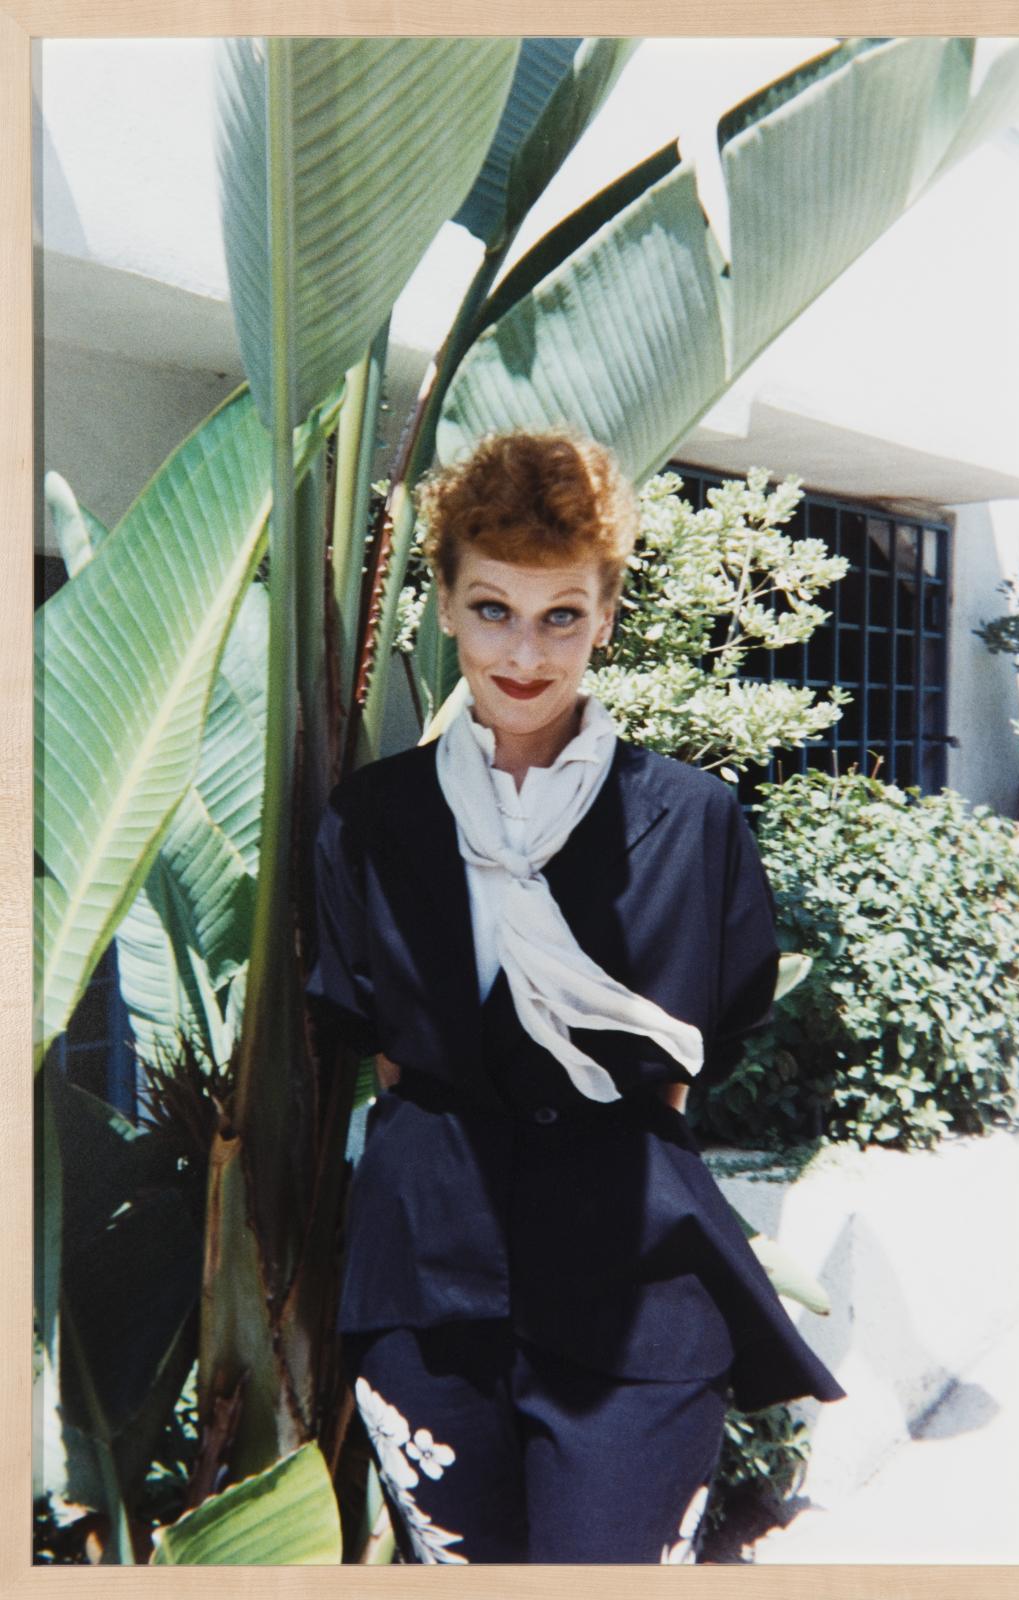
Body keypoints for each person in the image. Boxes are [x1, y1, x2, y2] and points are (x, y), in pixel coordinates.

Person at [307, 428, 844, 1565]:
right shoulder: (373, 819)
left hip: (636, 1285)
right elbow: (371, 1031)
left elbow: (720, 1023)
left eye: (562, 614)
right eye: (493, 607)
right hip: (427, 1285)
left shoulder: (689, 817)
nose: (524, 651)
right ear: (443, 603)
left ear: (605, 616)